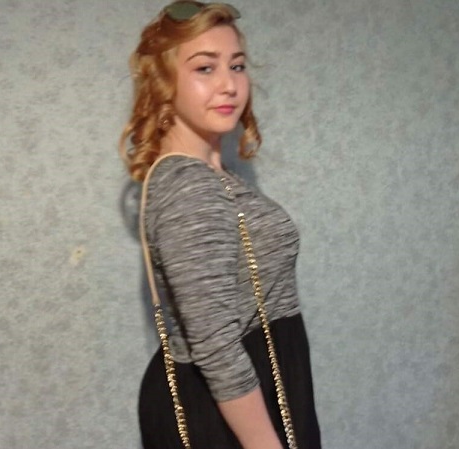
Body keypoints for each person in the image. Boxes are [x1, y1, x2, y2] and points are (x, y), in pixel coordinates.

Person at [119, 2, 321, 448]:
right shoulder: (189, 184)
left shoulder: (212, 176)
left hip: (248, 390)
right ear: (164, 81)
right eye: (205, 68)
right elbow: (214, 342)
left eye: (238, 65)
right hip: (226, 409)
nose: (229, 84)